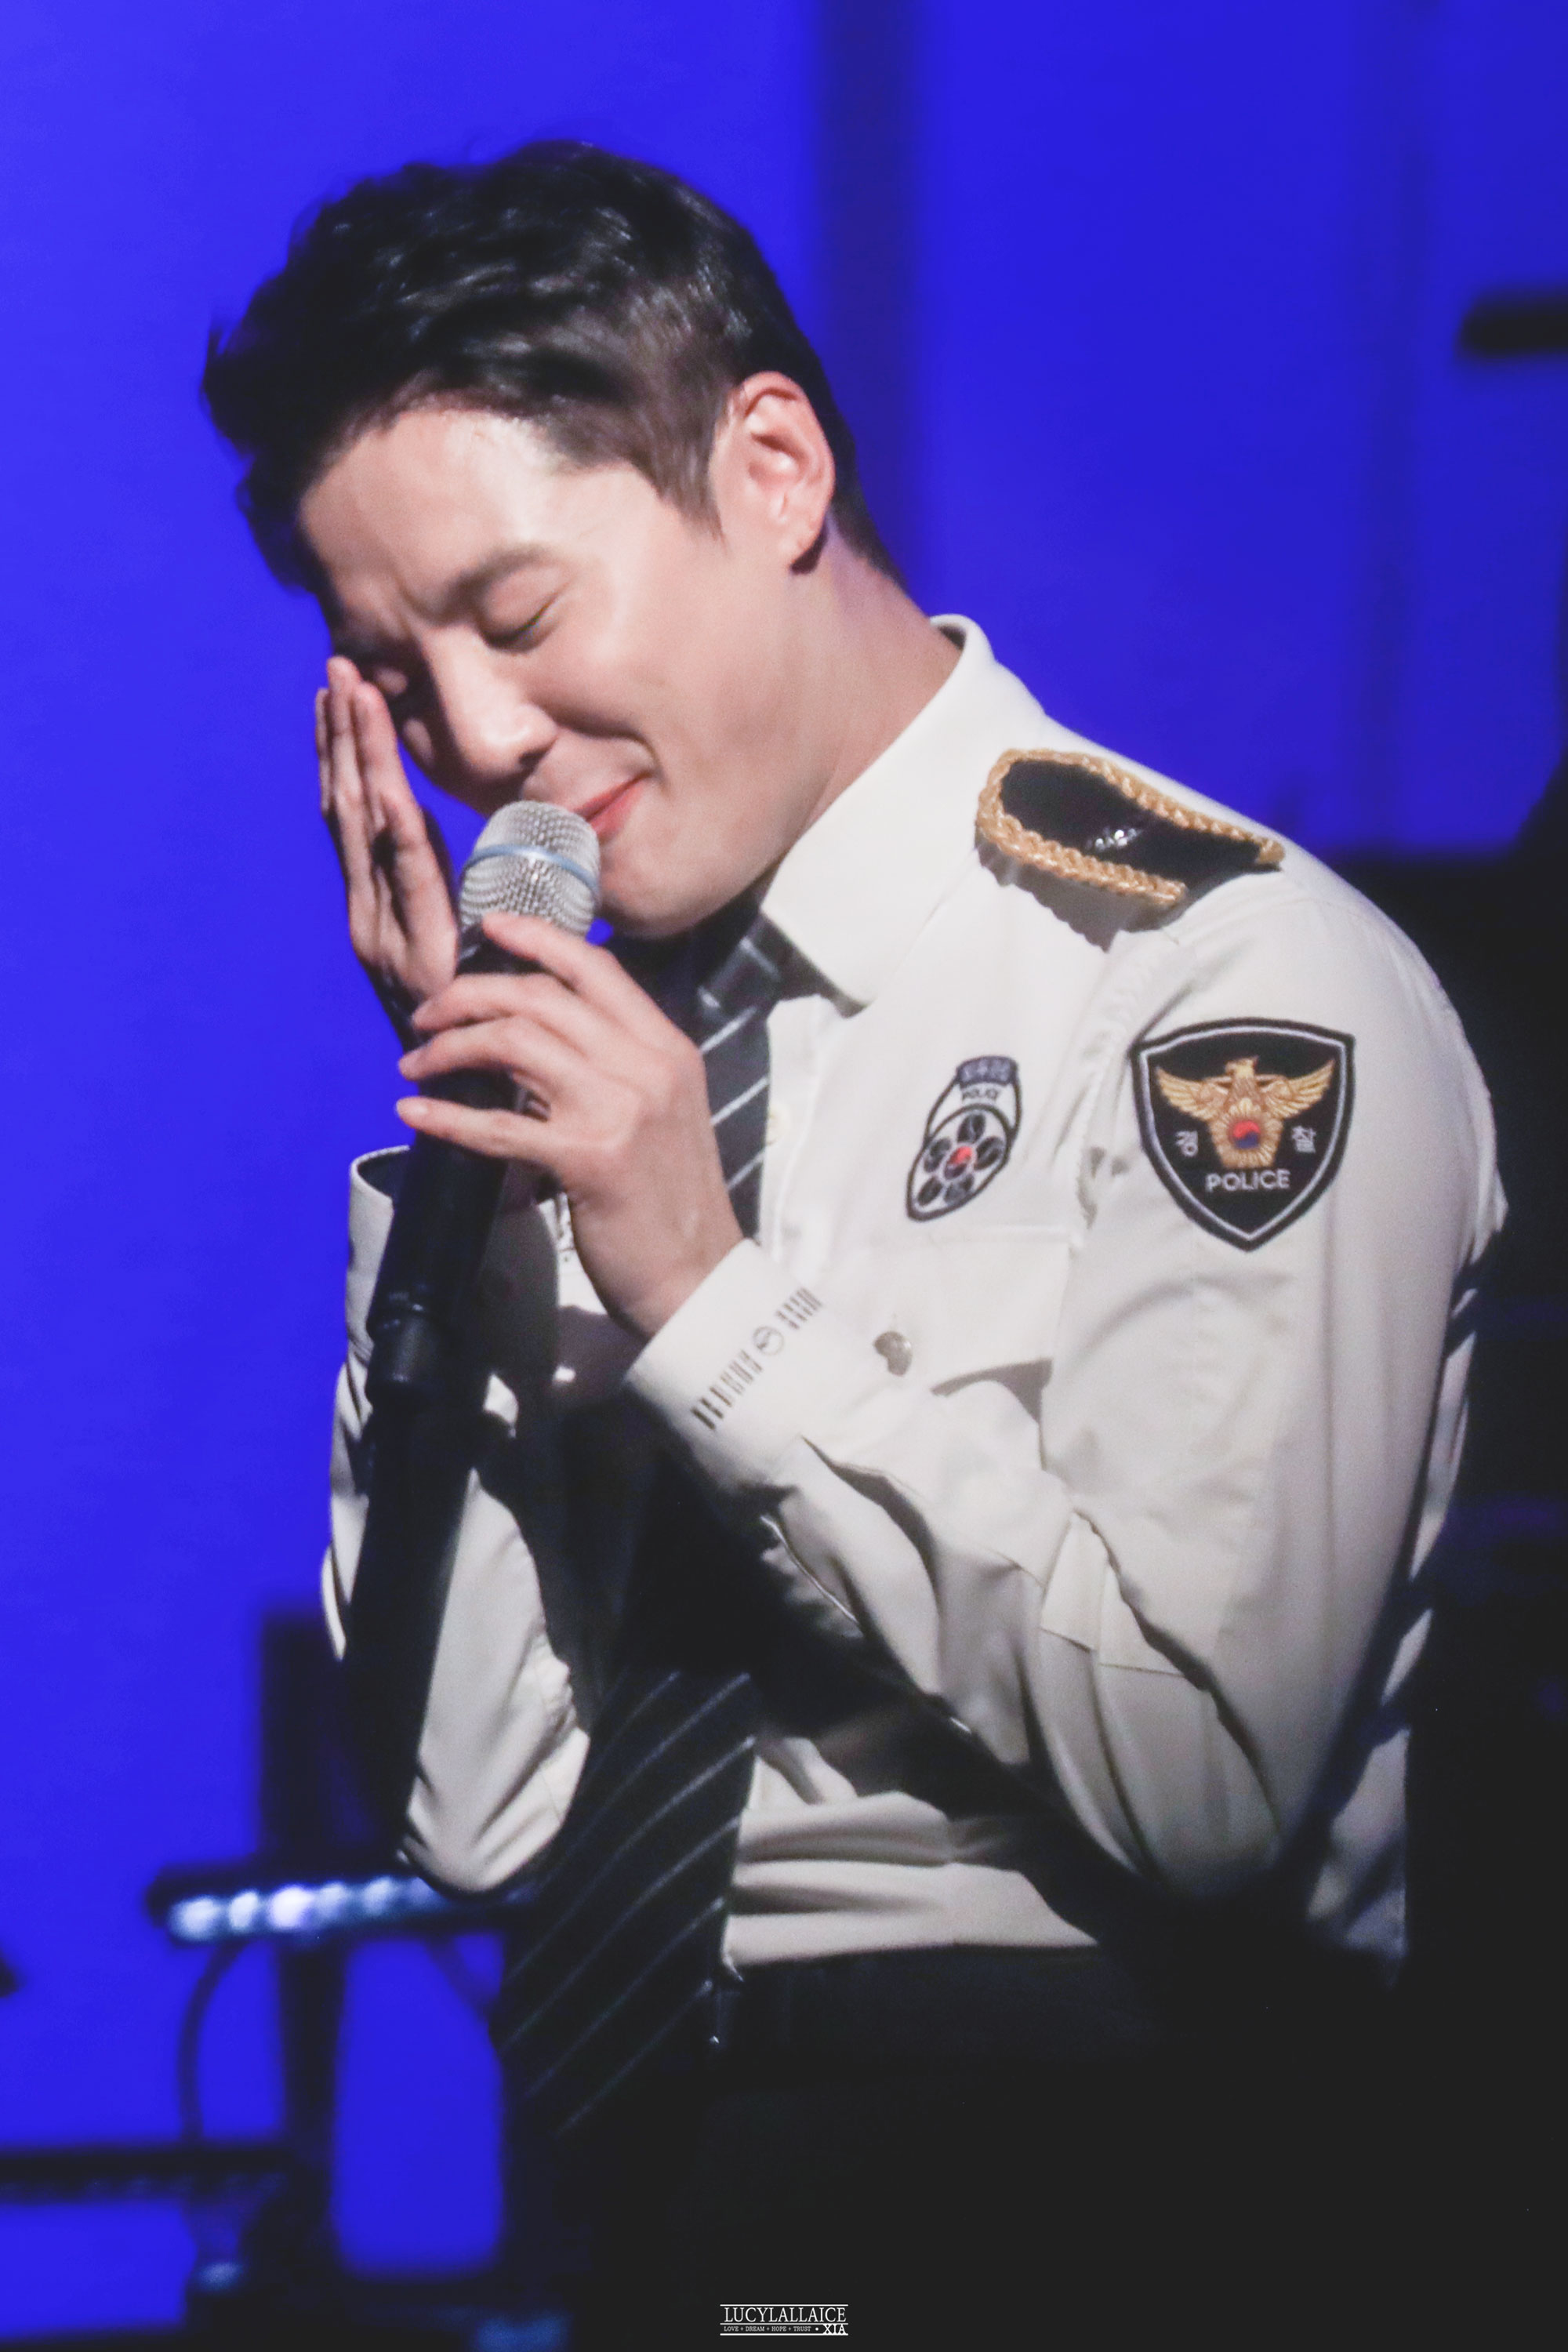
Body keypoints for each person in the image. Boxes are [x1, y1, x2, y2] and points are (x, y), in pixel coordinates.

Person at [204, 143, 1501, 2343]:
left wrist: (712, 1303)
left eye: (518, 618)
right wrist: (474, 1185)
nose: (479, 744)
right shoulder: (614, 1055)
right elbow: (472, 1817)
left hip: (1087, 2176)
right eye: (397, 680)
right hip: (656, 2183)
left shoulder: (1214, 985)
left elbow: (1207, 1778)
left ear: (775, 470)